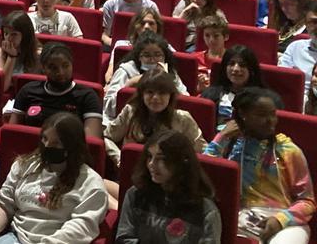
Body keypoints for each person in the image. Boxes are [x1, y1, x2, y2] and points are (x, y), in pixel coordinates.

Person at [0, 112, 109, 244]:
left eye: (56, 143)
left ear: (71, 147)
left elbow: (81, 228)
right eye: (44, 138)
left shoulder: (91, 183)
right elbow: (5, 206)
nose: (47, 146)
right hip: (15, 237)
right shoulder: (24, 165)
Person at [204, 88, 315, 244]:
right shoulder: (230, 144)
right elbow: (204, 174)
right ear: (244, 116)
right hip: (240, 216)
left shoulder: (288, 150)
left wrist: (280, 220)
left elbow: (307, 201)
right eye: (262, 115)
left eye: (272, 114)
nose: (270, 121)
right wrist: (220, 138)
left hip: (284, 222)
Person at [114, 129, 221, 244]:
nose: (151, 164)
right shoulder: (135, 194)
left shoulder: (206, 211)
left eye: (161, 158)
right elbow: (123, 239)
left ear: (181, 163)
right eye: (150, 156)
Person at [5, 42, 103, 138]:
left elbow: (91, 143)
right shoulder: (28, 91)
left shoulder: (87, 96)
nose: (60, 72)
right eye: (53, 68)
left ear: (72, 65)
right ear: (43, 68)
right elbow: (13, 134)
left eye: (65, 66)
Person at [201, 44, 264, 131]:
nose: (236, 69)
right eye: (231, 64)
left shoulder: (263, 99)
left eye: (242, 65)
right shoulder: (211, 94)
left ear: (251, 70)